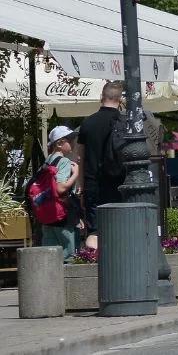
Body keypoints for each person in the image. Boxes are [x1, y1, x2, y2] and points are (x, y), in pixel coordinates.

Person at [79, 81, 125, 238]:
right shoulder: (124, 123)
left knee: (95, 232)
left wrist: (81, 187)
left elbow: (80, 157)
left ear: (101, 97)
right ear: (121, 100)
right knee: (120, 229)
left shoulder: (87, 123)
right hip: (119, 184)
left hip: (93, 183)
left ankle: (92, 261)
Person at [42, 126, 81, 260]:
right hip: (62, 214)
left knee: (50, 257)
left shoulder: (47, 162)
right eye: (69, 140)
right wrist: (75, 174)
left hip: (47, 214)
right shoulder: (64, 161)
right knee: (68, 255)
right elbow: (60, 188)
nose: (73, 142)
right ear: (59, 144)